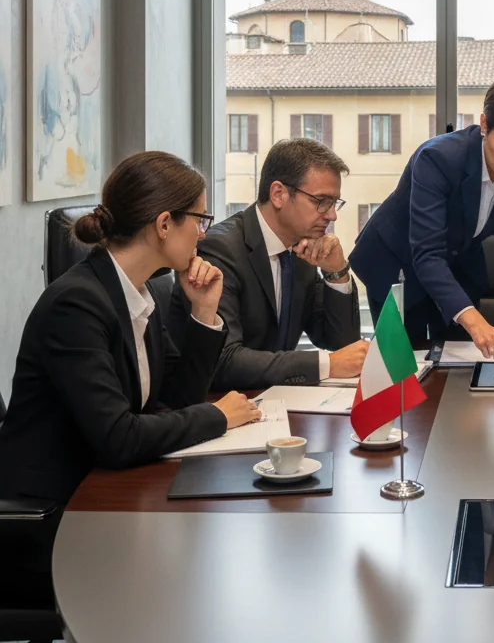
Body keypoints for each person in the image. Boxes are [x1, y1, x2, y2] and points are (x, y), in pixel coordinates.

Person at [0, 151, 261, 607]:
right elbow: (118, 436)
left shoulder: (138, 292)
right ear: (164, 224)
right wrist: (218, 417)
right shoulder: (78, 305)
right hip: (53, 522)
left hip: (106, 493)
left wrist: (203, 312)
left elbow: (173, 401)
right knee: (203, 581)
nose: (204, 232)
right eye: (200, 219)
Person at [350, 73, 494, 358]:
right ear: (484, 124)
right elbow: (427, 253)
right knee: (404, 368)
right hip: (396, 264)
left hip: (458, 265)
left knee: (460, 363)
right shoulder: (438, 158)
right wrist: (475, 322)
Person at [171, 138, 369, 390]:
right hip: (215, 405)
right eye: (322, 201)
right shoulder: (220, 249)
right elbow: (225, 360)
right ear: (278, 194)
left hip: (273, 404)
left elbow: (340, 343)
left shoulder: (302, 248)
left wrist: (336, 272)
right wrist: (326, 364)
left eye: (334, 203)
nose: (332, 215)